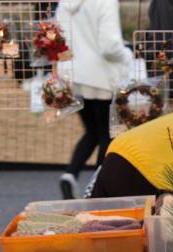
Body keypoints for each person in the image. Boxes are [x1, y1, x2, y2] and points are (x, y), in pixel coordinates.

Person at [55, 0, 132, 200]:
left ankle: (70, 174)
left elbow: (57, 40)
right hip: (101, 76)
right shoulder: (105, 2)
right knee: (107, 133)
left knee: (91, 131)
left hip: (73, 76)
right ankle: (98, 187)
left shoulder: (65, 3)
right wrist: (128, 55)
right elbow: (110, 46)